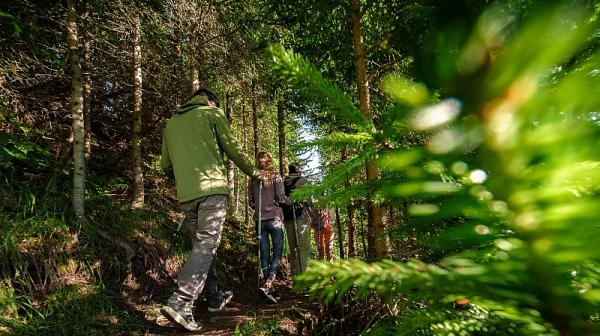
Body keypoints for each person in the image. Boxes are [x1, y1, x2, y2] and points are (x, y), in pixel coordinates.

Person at [160, 89, 265, 332]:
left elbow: (165, 164)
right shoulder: (213, 113)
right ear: (209, 100)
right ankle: (182, 301)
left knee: (203, 246)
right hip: (212, 190)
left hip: (187, 195)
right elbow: (234, 149)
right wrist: (255, 173)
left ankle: (215, 295)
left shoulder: (172, 123)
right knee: (207, 245)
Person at [248, 152, 291, 303]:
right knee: (277, 253)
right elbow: (281, 197)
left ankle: (269, 288)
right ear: (270, 162)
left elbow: (251, 203)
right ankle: (268, 284)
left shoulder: (253, 180)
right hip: (275, 219)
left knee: (264, 254)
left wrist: (260, 206)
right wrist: (291, 201)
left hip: (260, 221)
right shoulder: (275, 176)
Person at [283, 163, 313, 277]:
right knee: (304, 249)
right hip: (302, 219)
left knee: (293, 249)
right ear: (299, 171)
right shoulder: (303, 181)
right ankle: (301, 280)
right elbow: (312, 200)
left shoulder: (283, 182)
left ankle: (295, 277)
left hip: (288, 220)